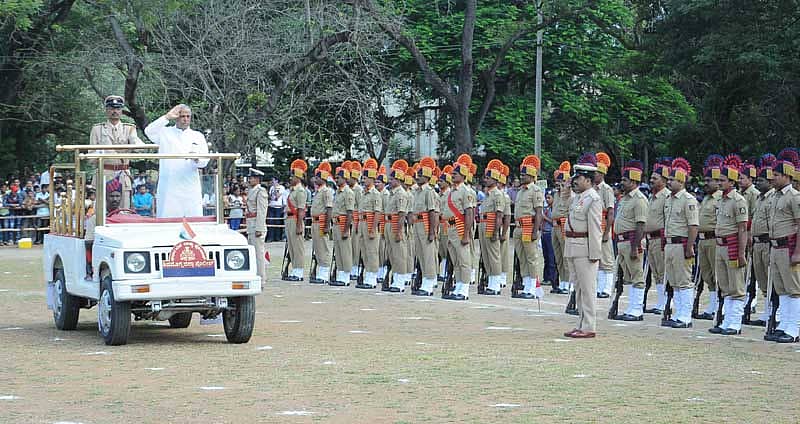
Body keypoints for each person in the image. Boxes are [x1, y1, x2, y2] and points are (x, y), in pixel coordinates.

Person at [708, 156, 749, 335]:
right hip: (720, 246)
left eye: (722, 180)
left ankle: (735, 322)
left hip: (732, 245)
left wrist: (741, 253)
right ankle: (726, 320)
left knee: (736, 286)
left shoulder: (738, 200)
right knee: (724, 284)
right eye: (717, 180)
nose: (718, 183)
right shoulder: (721, 200)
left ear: (732, 182)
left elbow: (742, 229)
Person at [144, 104, 209, 218]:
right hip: (169, 187)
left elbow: (205, 161)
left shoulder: (197, 136)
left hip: (190, 186)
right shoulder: (165, 132)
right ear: (176, 117)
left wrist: (197, 158)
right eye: (182, 116)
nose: (185, 119)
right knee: (168, 221)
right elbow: (148, 131)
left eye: (188, 116)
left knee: (194, 222)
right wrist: (167, 117)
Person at [564, 154, 603, 339]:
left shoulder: (593, 199)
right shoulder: (579, 197)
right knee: (578, 289)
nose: (575, 182)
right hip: (573, 246)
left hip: (585, 248)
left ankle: (589, 325)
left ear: (588, 180)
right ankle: (581, 323)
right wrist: (565, 188)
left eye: (578, 178)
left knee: (587, 289)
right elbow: (563, 204)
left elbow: (595, 228)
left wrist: (595, 254)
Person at [764, 149, 800, 343]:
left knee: (794, 289)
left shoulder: (794, 197)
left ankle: (794, 328)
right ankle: (784, 325)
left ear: (787, 176)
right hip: (776, 247)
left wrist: (797, 252)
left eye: (776, 175)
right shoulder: (776, 196)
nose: (773, 179)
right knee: (782, 289)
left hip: (788, 247)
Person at [661, 158, 699, 328]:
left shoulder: (688, 200)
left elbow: (693, 225)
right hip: (670, 243)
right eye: (668, 179)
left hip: (681, 243)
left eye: (672, 180)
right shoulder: (669, 199)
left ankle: (685, 316)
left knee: (684, 280)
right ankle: (678, 313)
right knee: (674, 280)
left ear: (681, 181)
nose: (668, 182)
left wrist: (690, 246)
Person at [89, 95, 145, 210]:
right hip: (104, 174)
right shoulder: (97, 129)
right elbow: (91, 158)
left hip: (122, 175)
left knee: (123, 212)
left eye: (118, 109)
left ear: (121, 111)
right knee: (102, 213)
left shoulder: (129, 129)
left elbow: (139, 146)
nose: (115, 111)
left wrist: (136, 144)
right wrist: (104, 152)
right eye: (111, 108)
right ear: (106, 110)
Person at [611, 160, 649, 321]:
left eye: (625, 180)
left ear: (633, 181)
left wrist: (635, 247)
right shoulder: (625, 198)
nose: (622, 182)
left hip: (632, 241)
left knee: (637, 276)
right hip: (622, 242)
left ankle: (636, 310)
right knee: (628, 276)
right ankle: (631, 308)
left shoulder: (639, 199)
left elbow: (640, 224)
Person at [747, 155, 776, 327]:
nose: (758, 183)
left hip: (767, 242)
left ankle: (775, 313)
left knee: (772, 280)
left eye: (761, 180)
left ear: (771, 182)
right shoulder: (760, 198)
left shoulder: (773, 198)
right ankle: (767, 311)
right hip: (757, 243)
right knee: (762, 280)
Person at [694, 155, 724, 320]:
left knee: (718, 274)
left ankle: (720, 307)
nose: (705, 183)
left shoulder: (720, 198)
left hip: (714, 240)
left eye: (709, 180)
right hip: (703, 240)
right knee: (707, 275)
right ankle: (712, 305)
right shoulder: (706, 198)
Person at [443, 154, 476, 301]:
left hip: (460, 227)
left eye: (455, 174)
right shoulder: (452, 192)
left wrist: (466, 234)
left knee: (463, 259)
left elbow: (469, 213)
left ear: (462, 175)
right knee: (455, 259)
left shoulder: (466, 191)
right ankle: (458, 285)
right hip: (450, 227)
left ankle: (465, 288)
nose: (452, 176)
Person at [512, 155, 545, 299]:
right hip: (519, 227)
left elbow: (538, 212)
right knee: (522, 258)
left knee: (532, 258)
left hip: (529, 226)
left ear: (532, 176)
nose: (521, 177)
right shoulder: (520, 191)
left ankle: (533, 287)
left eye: (524, 175)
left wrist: (535, 230)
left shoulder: (535, 191)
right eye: (521, 174)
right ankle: (526, 285)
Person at [644, 159, 671, 314]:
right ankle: (661, 302)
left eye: (655, 178)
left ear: (664, 180)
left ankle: (666, 303)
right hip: (651, 239)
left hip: (661, 239)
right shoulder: (651, 196)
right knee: (656, 273)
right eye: (652, 178)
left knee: (663, 271)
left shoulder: (667, 196)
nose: (651, 180)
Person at [411, 158, 440, 296]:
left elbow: (432, 212)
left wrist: (432, 232)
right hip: (417, 225)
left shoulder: (429, 191)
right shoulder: (417, 191)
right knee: (421, 254)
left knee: (428, 255)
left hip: (426, 224)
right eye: (418, 174)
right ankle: (424, 280)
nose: (418, 177)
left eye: (421, 175)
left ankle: (429, 283)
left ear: (427, 177)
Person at [479, 160, 506, 295]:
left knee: (493, 255)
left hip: (491, 225)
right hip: (483, 225)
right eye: (486, 177)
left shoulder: (497, 194)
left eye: (488, 178)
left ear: (495, 180)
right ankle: (490, 282)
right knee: (486, 255)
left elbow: (499, 215)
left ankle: (495, 284)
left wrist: (496, 231)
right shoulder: (487, 194)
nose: (486, 180)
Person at [355, 159, 383, 289]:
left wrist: (372, 229)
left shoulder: (375, 194)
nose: (363, 180)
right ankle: (368, 274)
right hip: (362, 223)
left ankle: (372, 277)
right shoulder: (363, 193)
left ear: (371, 179)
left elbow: (377, 212)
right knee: (364, 251)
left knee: (372, 251)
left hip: (370, 223)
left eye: (365, 178)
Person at [385, 160, 411, 291]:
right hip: (389, 224)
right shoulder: (392, 193)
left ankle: (400, 281)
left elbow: (401, 214)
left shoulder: (401, 194)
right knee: (392, 253)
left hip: (396, 224)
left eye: (392, 178)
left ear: (398, 180)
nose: (389, 181)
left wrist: (399, 231)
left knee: (399, 254)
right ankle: (395, 279)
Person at [593, 152, 616, 298]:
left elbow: (610, 212)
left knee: (607, 258)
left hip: (603, 224)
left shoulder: (606, 189)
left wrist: (607, 231)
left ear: (602, 173)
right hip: (594, 226)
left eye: (596, 173)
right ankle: (600, 287)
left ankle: (607, 287)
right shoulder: (592, 189)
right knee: (597, 258)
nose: (593, 175)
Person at [309, 163, 334, 284]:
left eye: (317, 177)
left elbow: (329, 209)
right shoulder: (318, 191)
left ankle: (324, 273)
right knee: (317, 248)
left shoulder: (326, 191)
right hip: (315, 222)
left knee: (323, 248)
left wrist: (327, 225)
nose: (315, 179)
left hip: (322, 221)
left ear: (322, 179)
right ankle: (320, 270)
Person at [331, 164, 356, 286]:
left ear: (345, 178)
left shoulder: (348, 192)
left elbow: (350, 213)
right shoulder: (338, 192)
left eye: (338, 178)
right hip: (335, 224)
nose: (336, 180)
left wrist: (346, 230)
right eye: (336, 178)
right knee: (338, 251)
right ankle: (340, 274)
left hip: (342, 224)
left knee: (345, 251)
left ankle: (346, 276)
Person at [284, 160, 308, 281]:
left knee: (298, 247)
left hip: (295, 220)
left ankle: (299, 271)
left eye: (292, 176)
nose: (290, 178)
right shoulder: (293, 190)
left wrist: (299, 225)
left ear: (298, 177)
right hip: (289, 219)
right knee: (292, 247)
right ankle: (294, 269)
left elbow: (301, 210)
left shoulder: (300, 191)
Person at [552, 162, 574, 295]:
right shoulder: (556, 195)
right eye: (558, 181)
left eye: (562, 181)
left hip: (563, 226)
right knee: (558, 256)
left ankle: (568, 283)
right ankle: (563, 282)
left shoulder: (571, 196)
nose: (559, 184)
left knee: (566, 257)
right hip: (554, 226)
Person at [245, 168, 268, 284]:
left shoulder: (261, 191)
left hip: (256, 225)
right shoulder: (252, 190)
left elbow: (262, 211)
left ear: (258, 179)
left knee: (259, 253)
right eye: (249, 178)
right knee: (253, 252)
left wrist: (259, 228)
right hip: (251, 223)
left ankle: (261, 278)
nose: (250, 180)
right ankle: (256, 275)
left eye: (252, 178)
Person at [348, 161, 364, 281]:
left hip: (356, 219)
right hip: (348, 220)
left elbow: (360, 206)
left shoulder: (358, 190)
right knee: (349, 246)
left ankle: (355, 268)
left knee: (356, 245)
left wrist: (357, 222)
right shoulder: (349, 189)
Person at [437, 166, 453, 282]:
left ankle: (447, 272)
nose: (439, 183)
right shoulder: (439, 194)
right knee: (440, 248)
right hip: (439, 223)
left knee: (447, 247)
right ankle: (442, 271)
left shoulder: (450, 194)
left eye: (441, 181)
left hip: (447, 223)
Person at [542, 189, 557, 292]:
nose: (547, 200)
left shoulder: (554, 209)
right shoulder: (545, 208)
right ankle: (546, 277)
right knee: (546, 257)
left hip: (551, 234)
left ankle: (552, 279)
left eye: (549, 198)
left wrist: (544, 217)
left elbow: (554, 222)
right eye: (546, 197)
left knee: (552, 258)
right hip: (544, 234)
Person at [266, 178, 285, 242]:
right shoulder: (271, 188)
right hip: (271, 206)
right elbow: (270, 197)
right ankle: (270, 237)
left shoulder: (281, 187)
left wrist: (275, 187)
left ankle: (277, 237)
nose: (272, 181)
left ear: (277, 181)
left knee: (277, 222)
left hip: (278, 207)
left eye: (273, 180)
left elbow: (277, 196)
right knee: (270, 221)